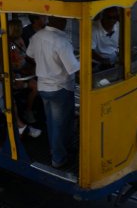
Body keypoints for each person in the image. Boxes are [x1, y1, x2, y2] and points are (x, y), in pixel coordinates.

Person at [26, 16, 80, 169]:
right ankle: (58, 158)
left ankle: (59, 149)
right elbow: (72, 67)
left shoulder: (37, 36)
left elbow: (30, 54)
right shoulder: (61, 42)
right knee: (60, 124)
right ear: (61, 22)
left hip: (43, 86)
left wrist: (45, 63)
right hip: (60, 88)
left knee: (52, 122)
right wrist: (84, 60)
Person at [7, 19, 38, 124]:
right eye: (19, 27)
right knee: (35, 86)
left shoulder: (19, 40)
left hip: (25, 67)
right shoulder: (9, 44)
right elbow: (14, 62)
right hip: (17, 74)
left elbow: (25, 54)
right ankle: (28, 111)